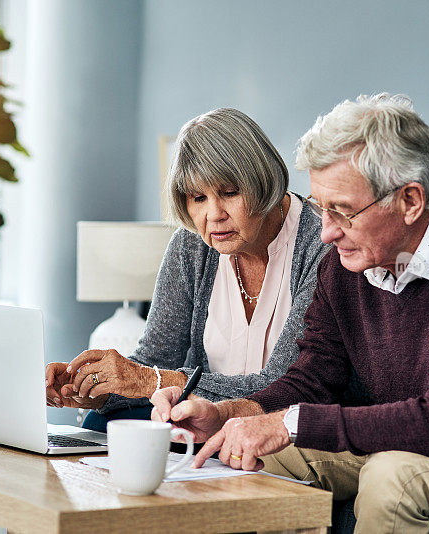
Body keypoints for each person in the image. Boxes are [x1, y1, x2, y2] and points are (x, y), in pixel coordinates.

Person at [150, 94, 429, 533]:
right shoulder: (352, 259)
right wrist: (228, 415)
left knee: (394, 478)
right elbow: (310, 381)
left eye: (343, 211)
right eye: (320, 208)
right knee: (252, 454)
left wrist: (289, 423)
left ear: (409, 201)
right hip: (421, 444)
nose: (326, 232)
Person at [45, 108, 329, 432]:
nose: (213, 214)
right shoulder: (191, 245)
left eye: (230, 192)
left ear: (263, 181)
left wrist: (145, 380)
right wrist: (93, 390)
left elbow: (282, 387)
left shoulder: (322, 244)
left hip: (277, 427)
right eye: (198, 198)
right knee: (102, 421)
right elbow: (154, 361)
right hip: (197, 422)